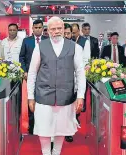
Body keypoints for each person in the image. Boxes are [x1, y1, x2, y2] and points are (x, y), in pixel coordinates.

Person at [27, 16, 86, 155]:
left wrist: (81, 96)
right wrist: (30, 96)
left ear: (64, 29)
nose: (57, 31)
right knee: (44, 128)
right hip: (43, 95)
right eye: (53, 29)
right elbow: (32, 73)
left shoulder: (75, 47)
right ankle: (46, 152)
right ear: (48, 31)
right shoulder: (39, 47)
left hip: (65, 96)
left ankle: (57, 151)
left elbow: (80, 72)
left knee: (61, 128)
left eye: (59, 28)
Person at [19, 19, 48, 135]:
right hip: (30, 75)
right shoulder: (26, 41)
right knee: (31, 99)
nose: (37, 29)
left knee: (44, 100)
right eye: (35, 28)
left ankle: (44, 125)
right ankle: (31, 127)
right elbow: (21, 57)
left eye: (40, 27)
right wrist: (25, 71)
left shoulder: (47, 40)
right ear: (32, 28)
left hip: (45, 76)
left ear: (42, 28)